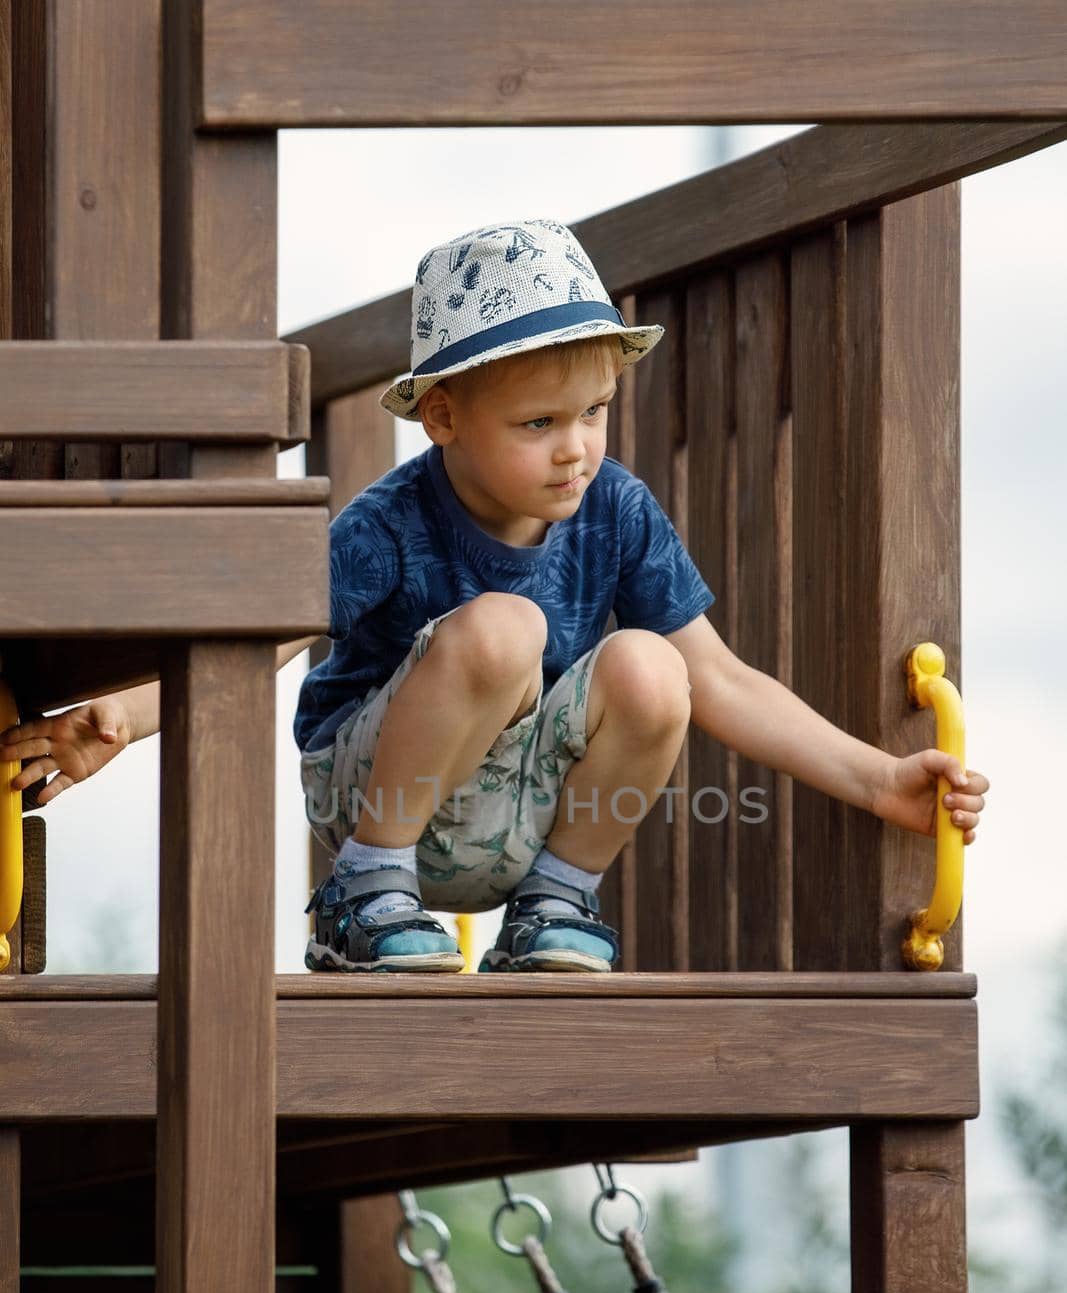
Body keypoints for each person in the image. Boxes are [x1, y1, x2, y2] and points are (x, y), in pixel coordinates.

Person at [0, 218, 988, 976]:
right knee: (507, 626)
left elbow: (719, 681)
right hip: (372, 796)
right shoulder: (389, 523)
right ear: (442, 418)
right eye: (537, 421)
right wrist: (125, 719)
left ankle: (551, 908)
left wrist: (876, 780)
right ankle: (359, 900)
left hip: (513, 817)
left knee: (652, 666)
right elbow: (261, 645)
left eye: (593, 411)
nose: (575, 446)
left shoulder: (614, 509)